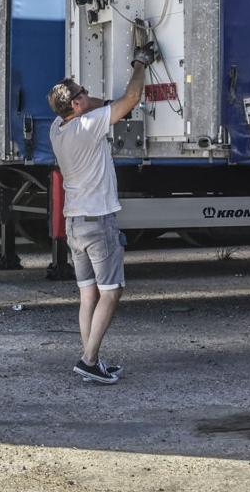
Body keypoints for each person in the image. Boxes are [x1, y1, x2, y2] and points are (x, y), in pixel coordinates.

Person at [47, 30, 154, 385]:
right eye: (82, 93)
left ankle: (90, 359)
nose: (87, 94)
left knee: (87, 293)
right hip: (97, 221)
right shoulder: (89, 126)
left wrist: (94, 102)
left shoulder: (57, 129)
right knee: (112, 291)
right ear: (75, 104)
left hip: (75, 222)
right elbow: (132, 98)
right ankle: (89, 359)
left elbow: (94, 107)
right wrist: (141, 61)